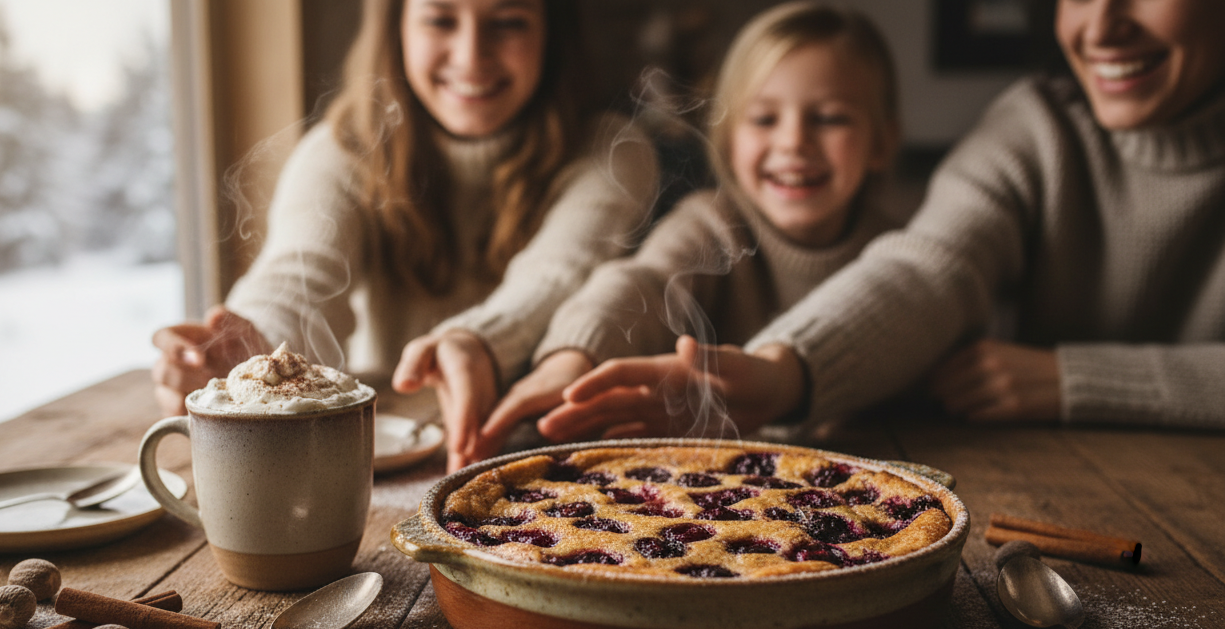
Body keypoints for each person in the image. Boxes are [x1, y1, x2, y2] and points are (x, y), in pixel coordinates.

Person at [538, 0, 1225, 440]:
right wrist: (780, 373)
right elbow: (930, 268)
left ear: (882, 139)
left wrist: (1074, 379)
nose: (1101, 27)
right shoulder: (1034, 126)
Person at [151, 0, 659, 470]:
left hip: (566, 450)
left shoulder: (613, 151)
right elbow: (299, 276)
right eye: (440, 19)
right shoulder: (341, 149)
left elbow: (556, 274)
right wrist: (250, 355)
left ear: (552, 34)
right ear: (395, 30)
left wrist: (477, 342)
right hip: (387, 455)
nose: (471, 55)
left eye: (508, 22)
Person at [471, 1, 901, 450]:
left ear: (882, 143)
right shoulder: (711, 225)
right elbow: (642, 283)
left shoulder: (901, 255)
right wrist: (574, 357)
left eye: (829, 118)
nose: (794, 141)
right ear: (730, 139)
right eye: (764, 119)